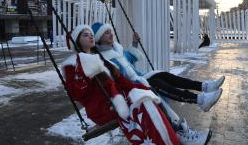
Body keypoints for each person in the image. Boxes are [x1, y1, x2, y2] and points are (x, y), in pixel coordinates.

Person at [61, 25, 211, 145]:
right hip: (102, 108)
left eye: (90, 34)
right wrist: (84, 71)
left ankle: (179, 136)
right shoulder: (72, 64)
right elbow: (77, 94)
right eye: (85, 35)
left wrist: (142, 87)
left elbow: (118, 79)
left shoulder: (99, 58)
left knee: (147, 96)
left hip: (115, 100)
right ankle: (179, 137)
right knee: (142, 101)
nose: (90, 36)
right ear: (76, 42)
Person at [91, 22, 224, 112]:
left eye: (110, 31)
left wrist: (134, 42)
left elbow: (130, 57)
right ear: (99, 38)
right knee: (157, 83)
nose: (111, 34)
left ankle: (204, 87)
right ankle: (200, 100)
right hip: (131, 87)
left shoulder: (117, 50)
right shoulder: (103, 59)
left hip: (140, 78)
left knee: (165, 75)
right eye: (106, 33)